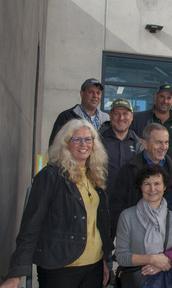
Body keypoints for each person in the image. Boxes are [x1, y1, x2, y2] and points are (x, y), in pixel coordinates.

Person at [1, 119, 113, 288]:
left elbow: (98, 224)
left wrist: (105, 258)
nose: (84, 144)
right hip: (59, 267)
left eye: (88, 139)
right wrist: (16, 273)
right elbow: (30, 226)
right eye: (77, 139)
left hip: (94, 267)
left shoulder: (94, 177)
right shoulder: (50, 176)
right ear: (65, 143)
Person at [109, 123, 172, 238]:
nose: (163, 147)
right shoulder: (130, 170)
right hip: (139, 237)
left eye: (166, 142)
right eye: (158, 142)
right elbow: (117, 205)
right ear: (144, 144)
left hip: (171, 235)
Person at [114, 164, 172, 287]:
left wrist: (163, 264)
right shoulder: (127, 216)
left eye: (157, 184)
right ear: (141, 187)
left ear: (164, 187)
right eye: (147, 184)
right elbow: (121, 256)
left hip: (167, 280)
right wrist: (151, 259)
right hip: (137, 281)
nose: (152, 189)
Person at [130, 84, 172, 170]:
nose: (165, 101)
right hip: (144, 174)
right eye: (162, 97)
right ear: (155, 97)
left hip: (171, 176)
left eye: (169, 98)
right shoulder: (139, 119)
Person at [49, 78, 110, 146]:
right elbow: (55, 147)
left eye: (98, 93)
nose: (95, 96)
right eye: (90, 92)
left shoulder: (107, 120)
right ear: (82, 93)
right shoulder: (66, 117)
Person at [100, 98, 143, 193]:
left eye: (125, 114)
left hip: (131, 203)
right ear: (110, 116)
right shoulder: (97, 142)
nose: (121, 118)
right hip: (103, 202)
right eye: (116, 114)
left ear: (131, 117)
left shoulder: (140, 145)